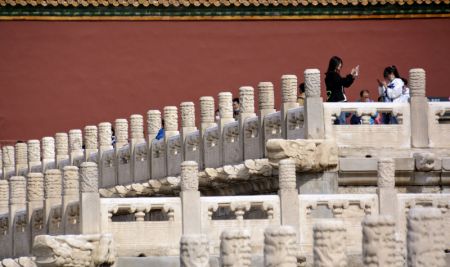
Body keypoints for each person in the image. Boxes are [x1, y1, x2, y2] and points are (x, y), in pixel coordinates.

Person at [325, 56, 359, 124]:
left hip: (340, 100)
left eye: (340, 63)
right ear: (334, 64)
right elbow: (342, 81)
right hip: (337, 100)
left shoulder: (335, 74)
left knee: (344, 116)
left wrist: (352, 77)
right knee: (341, 121)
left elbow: (346, 84)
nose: (340, 65)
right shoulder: (332, 75)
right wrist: (351, 74)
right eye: (339, 63)